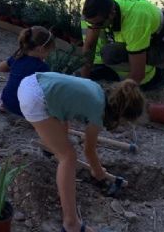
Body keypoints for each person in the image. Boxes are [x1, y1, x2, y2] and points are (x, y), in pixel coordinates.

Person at [18, 73, 144, 232]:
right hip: (35, 98)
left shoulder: (96, 90)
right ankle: (71, 223)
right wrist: (98, 171)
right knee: (68, 157)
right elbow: (89, 150)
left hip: (32, 81)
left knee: (63, 141)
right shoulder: (98, 113)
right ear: (120, 114)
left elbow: (64, 105)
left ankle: (51, 145)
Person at [79, 0, 164, 91]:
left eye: (98, 24)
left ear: (112, 14)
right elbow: (89, 47)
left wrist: (112, 94)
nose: (94, 28)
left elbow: (138, 74)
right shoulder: (104, 8)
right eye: (91, 23)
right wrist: (82, 83)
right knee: (85, 21)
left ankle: (154, 76)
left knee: (111, 53)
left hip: (162, 46)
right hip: (141, 30)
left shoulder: (135, 24)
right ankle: (101, 67)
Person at [0, 26, 53, 115]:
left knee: (9, 90)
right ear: (40, 49)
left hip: (7, 102)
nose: (49, 55)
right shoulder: (43, 68)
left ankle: (2, 103)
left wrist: (14, 65)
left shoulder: (17, 58)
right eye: (48, 52)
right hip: (26, 111)